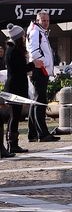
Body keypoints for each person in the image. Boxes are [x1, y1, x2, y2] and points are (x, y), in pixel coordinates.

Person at [4, 24, 43, 156]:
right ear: (20, 38)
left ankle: (12, 142)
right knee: (14, 116)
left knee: (15, 115)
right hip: (15, 87)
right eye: (23, 36)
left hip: (15, 86)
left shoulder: (11, 50)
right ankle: (12, 143)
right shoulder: (13, 51)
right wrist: (33, 64)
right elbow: (21, 69)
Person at [26, 11, 60, 142]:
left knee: (36, 101)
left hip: (41, 69)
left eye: (47, 20)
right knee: (40, 102)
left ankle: (33, 133)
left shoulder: (40, 31)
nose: (46, 22)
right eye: (43, 20)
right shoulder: (36, 31)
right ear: (38, 20)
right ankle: (42, 133)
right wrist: (43, 63)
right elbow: (33, 50)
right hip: (40, 70)